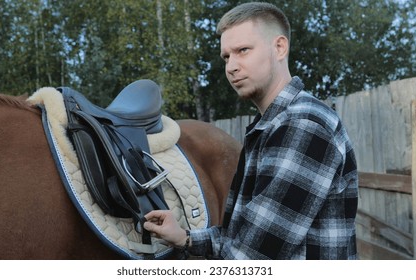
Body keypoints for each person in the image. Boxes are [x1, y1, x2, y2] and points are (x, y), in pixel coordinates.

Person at [144, 2, 358, 260]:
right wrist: (184, 237)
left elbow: (252, 258)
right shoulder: (271, 125)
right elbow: (242, 237)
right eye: (226, 56)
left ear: (279, 47)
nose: (231, 66)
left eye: (243, 51)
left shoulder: (304, 124)